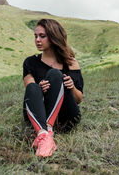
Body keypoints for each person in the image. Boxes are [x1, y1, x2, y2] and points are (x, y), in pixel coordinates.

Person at [22, 18, 84, 157]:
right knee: (33, 87)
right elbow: (30, 90)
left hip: (65, 117)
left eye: (42, 36)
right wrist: (40, 89)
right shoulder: (30, 62)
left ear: (53, 36)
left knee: (55, 75)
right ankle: (45, 134)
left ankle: (45, 131)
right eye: (35, 36)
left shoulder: (71, 62)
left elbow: (79, 99)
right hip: (39, 114)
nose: (37, 40)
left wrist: (71, 87)